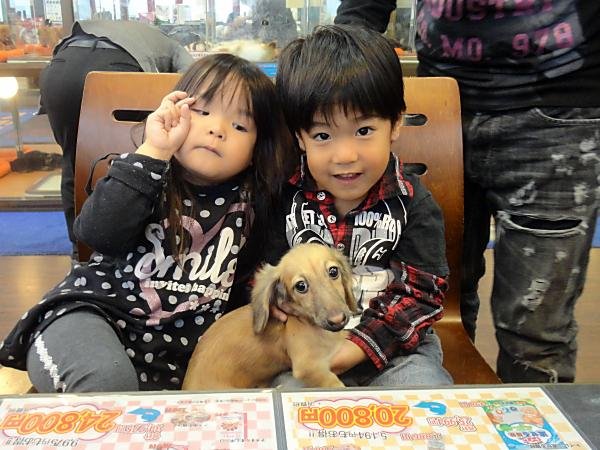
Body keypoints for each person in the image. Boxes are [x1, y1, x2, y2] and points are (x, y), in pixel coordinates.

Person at [335, 0, 600, 382]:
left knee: (537, 336)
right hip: (441, 100)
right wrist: (342, 56)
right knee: (441, 307)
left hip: (560, 99)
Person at [0, 53, 294, 392]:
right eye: (202, 112)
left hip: (180, 353)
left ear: (258, 149)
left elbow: (264, 277)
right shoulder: (145, 172)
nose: (217, 129)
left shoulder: (257, 202)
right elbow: (96, 234)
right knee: (107, 382)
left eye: (240, 126)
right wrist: (155, 149)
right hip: (94, 318)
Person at [269, 24, 453, 387]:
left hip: (398, 351)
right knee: (286, 399)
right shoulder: (285, 198)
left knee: (423, 392)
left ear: (395, 124)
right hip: (307, 347)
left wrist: (355, 349)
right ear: (300, 138)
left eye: (364, 131)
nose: (345, 155)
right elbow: (267, 276)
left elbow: (420, 296)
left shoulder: (412, 203)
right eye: (323, 135)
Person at [40, 20, 194, 255]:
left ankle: (80, 251)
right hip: (117, 68)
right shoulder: (172, 44)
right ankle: (136, 244)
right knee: (139, 161)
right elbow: (194, 84)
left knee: (74, 159)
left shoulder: (128, 30)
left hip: (61, 71)